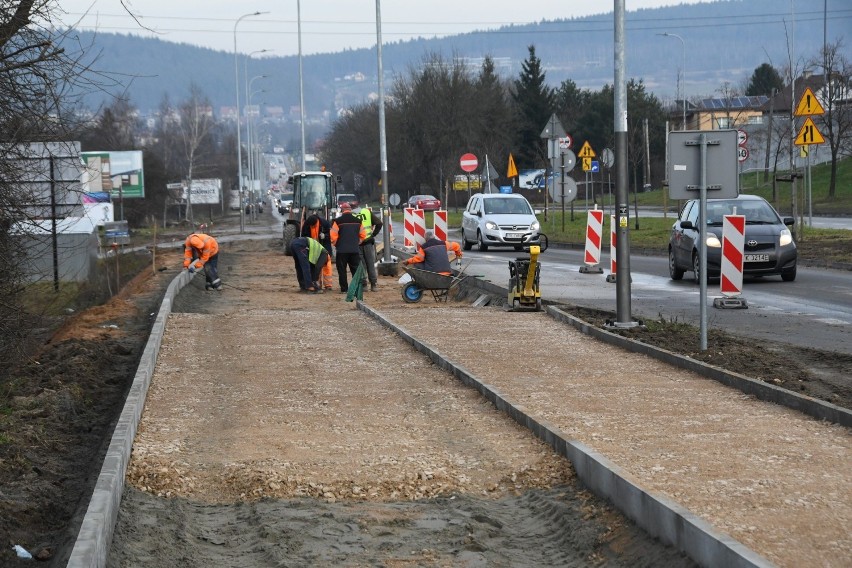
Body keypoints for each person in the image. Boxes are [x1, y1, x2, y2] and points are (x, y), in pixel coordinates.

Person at [330, 202, 367, 293]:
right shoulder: (358, 221)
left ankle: (344, 289)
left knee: (342, 270)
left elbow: (333, 236)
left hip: (342, 250)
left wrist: (337, 244)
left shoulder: (337, 221)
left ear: (342, 210)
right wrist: (357, 243)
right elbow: (363, 235)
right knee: (355, 270)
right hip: (354, 250)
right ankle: (356, 289)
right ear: (350, 210)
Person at [301, 212, 334, 290]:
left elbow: (331, 234)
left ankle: (328, 285)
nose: (312, 227)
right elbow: (304, 237)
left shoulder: (324, 223)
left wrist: (325, 236)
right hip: (313, 249)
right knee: (315, 266)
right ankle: (316, 283)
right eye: (311, 226)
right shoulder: (306, 225)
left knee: (326, 266)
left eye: (314, 226)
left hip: (324, 247)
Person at [357, 204, 383, 292]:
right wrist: (373, 234)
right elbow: (379, 223)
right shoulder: (367, 212)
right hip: (368, 241)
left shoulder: (352, 214)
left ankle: (364, 285)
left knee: (361, 265)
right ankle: (373, 285)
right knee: (370, 263)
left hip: (357, 243)